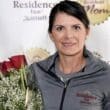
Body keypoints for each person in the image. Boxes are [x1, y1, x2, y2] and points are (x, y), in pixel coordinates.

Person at [27, 0, 110, 110]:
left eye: (76, 27)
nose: (68, 36)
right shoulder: (35, 72)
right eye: (60, 28)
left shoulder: (106, 75)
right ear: (51, 34)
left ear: (87, 31)